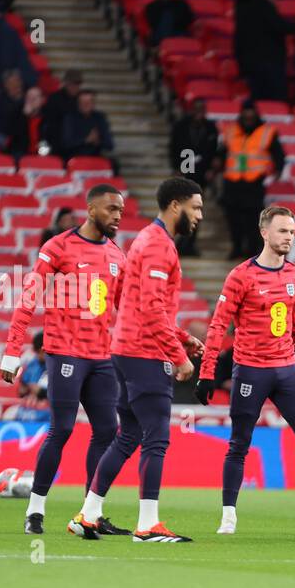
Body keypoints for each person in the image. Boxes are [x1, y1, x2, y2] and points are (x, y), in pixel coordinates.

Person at [73, 177, 206, 542]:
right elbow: (150, 310)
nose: (199, 216)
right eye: (195, 208)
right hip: (144, 353)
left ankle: (88, 512)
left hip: (127, 348)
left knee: (128, 435)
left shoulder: (147, 241)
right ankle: (147, 524)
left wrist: (181, 337)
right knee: (156, 438)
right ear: (175, 205)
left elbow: (144, 306)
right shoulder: (158, 246)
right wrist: (178, 356)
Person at [0, 184, 137, 536]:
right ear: (91, 211)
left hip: (102, 357)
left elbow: (128, 310)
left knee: (107, 431)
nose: (118, 216)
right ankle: (35, 511)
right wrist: (12, 350)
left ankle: (90, 513)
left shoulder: (117, 256)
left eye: (121, 211)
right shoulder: (58, 247)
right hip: (65, 352)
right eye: (111, 210)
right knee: (61, 429)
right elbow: (29, 298)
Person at [197, 206, 295, 535]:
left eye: (292, 232)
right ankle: (228, 515)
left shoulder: (294, 274)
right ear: (264, 232)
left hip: (287, 368)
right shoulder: (241, 276)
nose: (289, 238)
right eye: (282, 231)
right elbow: (219, 324)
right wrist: (207, 371)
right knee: (239, 442)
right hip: (251, 370)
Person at [221, 101, 285, 259]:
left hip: (254, 183)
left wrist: (278, 170)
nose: (248, 119)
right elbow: (222, 152)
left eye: (251, 116)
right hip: (232, 181)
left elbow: (279, 154)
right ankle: (236, 248)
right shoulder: (230, 131)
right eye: (245, 116)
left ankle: (251, 251)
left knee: (253, 220)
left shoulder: (267, 132)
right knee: (233, 218)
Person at [234, 0, 290, 103]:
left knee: (259, 97)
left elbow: (239, 38)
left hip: (252, 61)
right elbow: (280, 26)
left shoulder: (242, 5)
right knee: (272, 98)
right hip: (267, 62)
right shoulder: (263, 6)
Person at [169, 98, 220, 190]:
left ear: (205, 111)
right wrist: (176, 167)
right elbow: (174, 148)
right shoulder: (180, 127)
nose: (199, 112)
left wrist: (212, 170)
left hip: (204, 170)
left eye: (201, 109)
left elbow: (215, 150)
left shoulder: (211, 128)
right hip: (184, 167)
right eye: (196, 109)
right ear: (191, 110)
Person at [0, 9, 37, 92]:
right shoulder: (1, 30)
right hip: (17, 81)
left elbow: (6, 61)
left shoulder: (2, 32)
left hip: (15, 84)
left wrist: (0, 85)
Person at [61, 90, 115, 162]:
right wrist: (86, 140)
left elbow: (109, 145)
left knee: (113, 163)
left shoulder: (100, 118)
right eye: (83, 102)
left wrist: (98, 142)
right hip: (75, 159)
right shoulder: (70, 118)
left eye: (89, 102)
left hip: (95, 159)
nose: (86, 104)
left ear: (93, 103)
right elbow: (66, 144)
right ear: (78, 103)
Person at [42, 70, 83, 157]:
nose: (74, 87)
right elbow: (48, 123)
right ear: (65, 83)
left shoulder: (81, 99)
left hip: (77, 145)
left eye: (77, 84)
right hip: (57, 143)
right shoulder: (54, 98)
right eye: (72, 84)